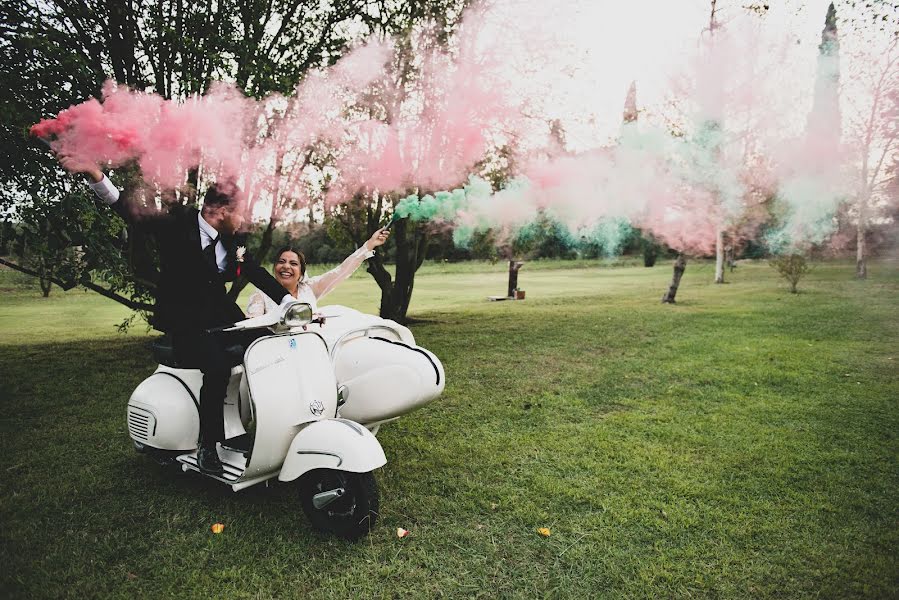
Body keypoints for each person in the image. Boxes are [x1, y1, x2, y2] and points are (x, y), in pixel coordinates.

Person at [58, 156, 293, 476]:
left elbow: (257, 272)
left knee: (271, 345)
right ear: (221, 212)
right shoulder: (176, 224)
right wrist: (97, 176)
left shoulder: (232, 239)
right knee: (218, 364)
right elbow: (132, 214)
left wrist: (290, 303)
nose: (243, 222)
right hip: (185, 325)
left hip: (223, 319)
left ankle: (259, 427)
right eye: (239, 214)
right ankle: (208, 445)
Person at [246, 229, 389, 318]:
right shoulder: (261, 295)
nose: (286, 267)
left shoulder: (310, 288)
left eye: (293, 264)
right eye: (281, 261)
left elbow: (342, 271)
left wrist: (370, 244)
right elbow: (253, 329)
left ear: (301, 271)